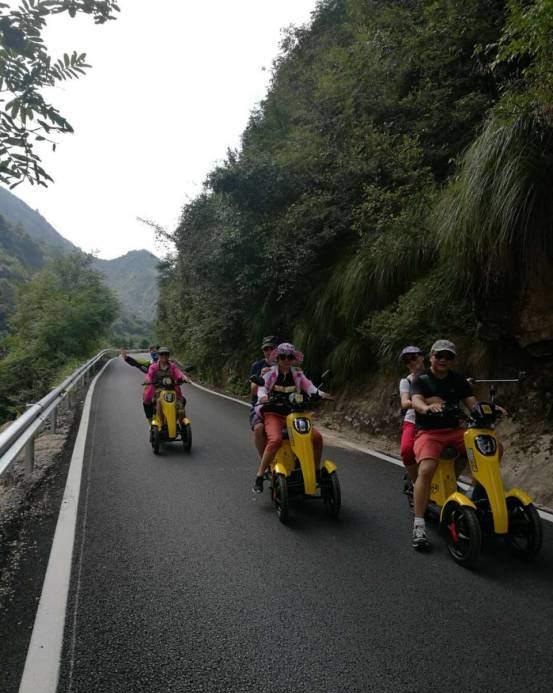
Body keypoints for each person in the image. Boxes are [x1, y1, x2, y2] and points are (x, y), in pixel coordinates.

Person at [410, 339, 476, 551]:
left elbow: (472, 404)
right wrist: (427, 408)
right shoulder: (421, 379)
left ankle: (470, 493)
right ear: (431, 357)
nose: (443, 360)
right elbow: (417, 401)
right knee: (427, 468)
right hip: (429, 432)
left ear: (452, 360)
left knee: (487, 449)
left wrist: (489, 409)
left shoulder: (458, 380)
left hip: (455, 431)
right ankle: (419, 525)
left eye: (448, 357)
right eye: (439, 355)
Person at [252, 342, 332, 493]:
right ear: (278, 358)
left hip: (294, 414)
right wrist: (263, 397)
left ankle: (314, 472)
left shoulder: (298, 375)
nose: (286, 360)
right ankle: (260, 475)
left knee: (316, 438)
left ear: (293, 358)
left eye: (289, 357)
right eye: (282, 357)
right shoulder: (269, 373)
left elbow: (310, 388)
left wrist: (321, 395)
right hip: (273, 413)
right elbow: (261, 390)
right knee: (275, 439)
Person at [398, 346, 425, 485]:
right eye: (407, 361)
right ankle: (417, 482)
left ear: (422, 357)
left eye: (413, 358)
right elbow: (405, 402)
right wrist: (422, 404)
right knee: (407, 450)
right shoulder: (406, 381)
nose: (411, 362)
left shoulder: (436, 376)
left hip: (439, 420)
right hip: (413, 420)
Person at [250, 336, 278, 459]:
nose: (269, 352)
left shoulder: (285, 364)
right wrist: (261, 376)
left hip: (285, 405)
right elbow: (253, 391)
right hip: (261, 405)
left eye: (271, 348)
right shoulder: (257, 366)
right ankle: (264, 462)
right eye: (266, 349)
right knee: (258, 428)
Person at [144, 347, 189, 422]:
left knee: (182, 405)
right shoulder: (153, 367)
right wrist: (148, 380)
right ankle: (161, 423)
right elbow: (149, 375)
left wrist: (184, 378)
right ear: (158, 355)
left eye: (166, 354)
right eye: (162, 354)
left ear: (168, 355)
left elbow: (178, 373)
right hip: (158, 391)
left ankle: (182, 424)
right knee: (158, 401)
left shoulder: (172, 366)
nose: (164, 356)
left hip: (172, 390)